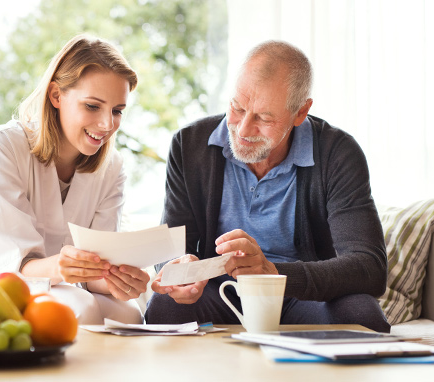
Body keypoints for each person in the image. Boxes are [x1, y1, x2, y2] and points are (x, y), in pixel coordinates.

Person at [145, 40, 391, 332]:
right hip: (223, 293)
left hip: (302, 296)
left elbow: (369, 267)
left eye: (263, 117)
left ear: (300, 112)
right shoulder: (189, 145)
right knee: (164, 308)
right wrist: (180, 272)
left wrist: (272, 273)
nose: (243, 129)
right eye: (237, 108)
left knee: (362, 314)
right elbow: (171, 248)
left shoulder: (338, 153)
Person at [0, 34, 150, 324]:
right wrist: (67, 268)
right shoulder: (1, 147)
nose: (107, 125)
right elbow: (17, 265)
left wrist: (121, 280)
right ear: (56, 95)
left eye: (117, 111)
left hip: (49, 286)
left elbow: (95, 278)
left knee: (129, 314)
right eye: (92, 106)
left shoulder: (112, 167)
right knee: (79, 307)